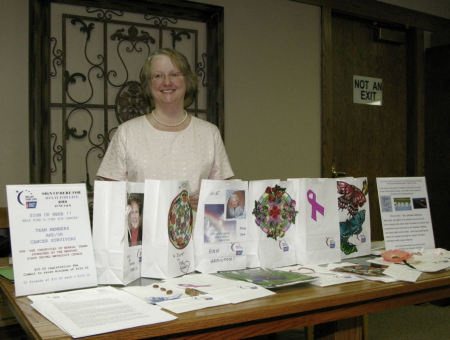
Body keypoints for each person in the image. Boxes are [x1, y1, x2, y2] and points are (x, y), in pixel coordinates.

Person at [97, 48, 234, 208]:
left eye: (174, 74)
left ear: (187, 80)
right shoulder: (127, 133)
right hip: (142, 231)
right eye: (158, 76)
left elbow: (226, 198)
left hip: (195, 230)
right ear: (149, 84)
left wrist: (210, 200)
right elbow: (108, 197)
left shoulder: (209, 134)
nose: (167, 82)